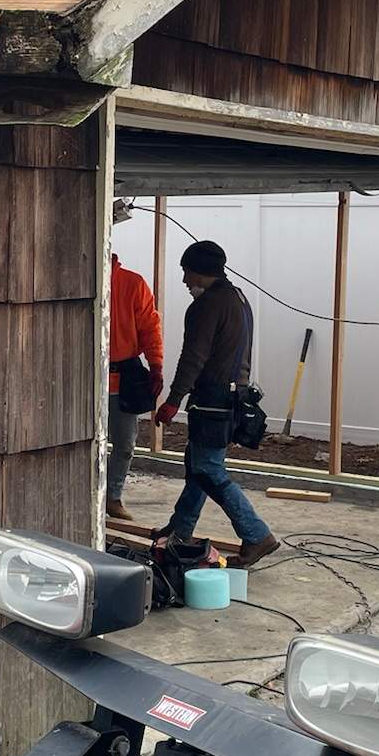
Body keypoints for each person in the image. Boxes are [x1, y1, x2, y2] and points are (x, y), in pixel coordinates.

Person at [154, 240, 280, 569]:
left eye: (186, 272)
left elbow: (194, 356)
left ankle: (257, 535)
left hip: (212, 399)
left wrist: (173, 399)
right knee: (197, 467)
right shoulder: (237, 298)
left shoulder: (207, 305)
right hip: (233, 396)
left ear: (200, 271)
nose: (184, 280)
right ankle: (180, 529)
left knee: (208, 469)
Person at [106, 249, 164, 522]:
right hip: (87, 378)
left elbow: (150, 328)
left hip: (123, 379)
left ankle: (112, 497)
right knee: (84, 443)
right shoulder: (78, 280)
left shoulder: (133, 284)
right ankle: (96, 495)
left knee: (125, 444)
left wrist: (156, 366)